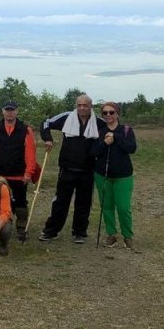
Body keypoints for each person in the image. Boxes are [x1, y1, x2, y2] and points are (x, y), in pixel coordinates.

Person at [38, 95, 104, 244]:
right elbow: (45, 123)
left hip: (88, 169)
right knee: (60, 202)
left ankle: (80, 232)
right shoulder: (67, 117)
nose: (82, 108)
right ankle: (51, 231)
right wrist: (47, 138)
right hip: (67, 168)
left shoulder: (99, 122)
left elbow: (112, 129)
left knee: (84, 203)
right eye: (79, 105)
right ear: (76, 106)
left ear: (90, 106)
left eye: (85, 105)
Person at [0, 100, 37, 243]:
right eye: (7, 109)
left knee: (20, 202)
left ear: (17, 111)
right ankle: (0, 226)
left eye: (12, 109)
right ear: (3, 111)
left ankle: (21, 227)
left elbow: (30, 153)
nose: (10, 112)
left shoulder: (26, 129)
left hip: (19, 174)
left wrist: (28, 172)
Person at [91, 102, 137, 249]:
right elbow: (93, 152)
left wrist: (116, 137)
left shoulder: (126, 130)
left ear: (117, 113)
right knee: (107, 206)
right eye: (105, 113)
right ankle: (111, 234)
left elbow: (131, 148)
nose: (108, 115)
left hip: (123, 175)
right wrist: (105, 143)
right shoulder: (99, 131)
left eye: (111, 112)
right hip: (102, 175)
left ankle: (127, 236)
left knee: (123, 207)